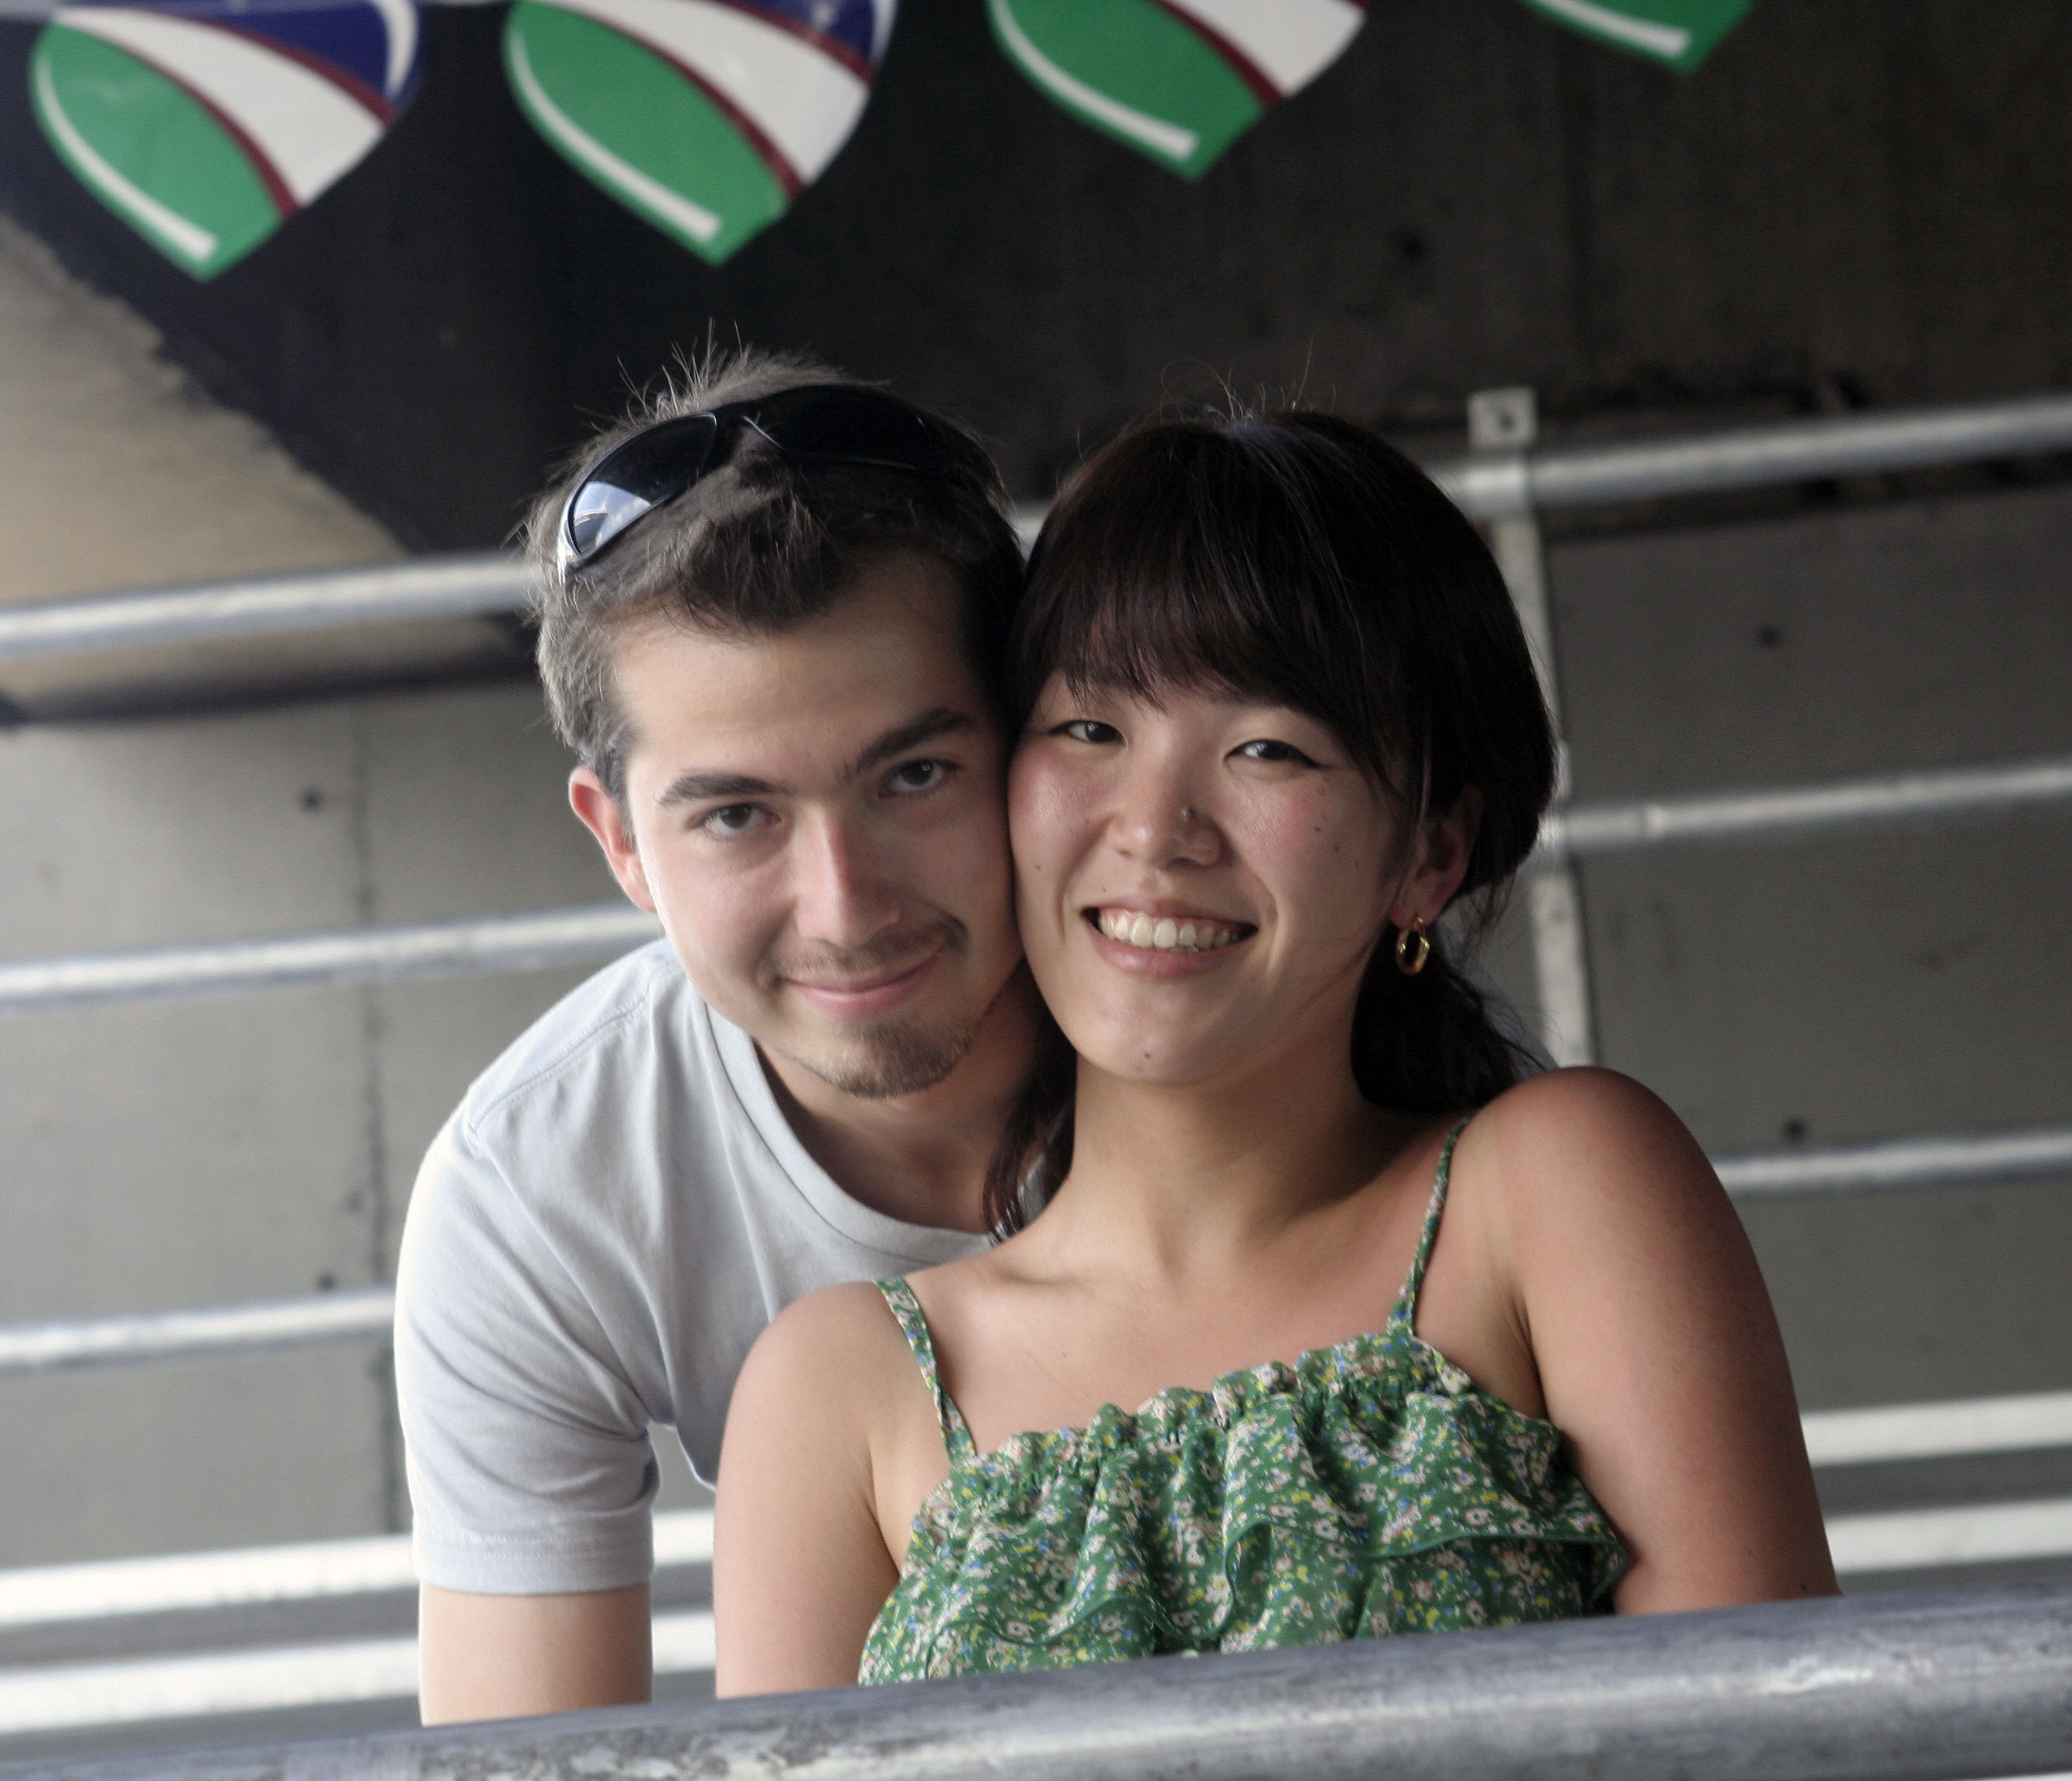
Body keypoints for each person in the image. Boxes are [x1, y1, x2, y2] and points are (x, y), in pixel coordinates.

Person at [711, 409, 1837, 1693]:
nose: (1155, 829)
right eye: (1089, 729)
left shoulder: (1550, 1192)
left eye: (1268, 749)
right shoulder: (839, 1387)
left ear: (1429, 857)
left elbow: (1770, 1737)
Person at [393, 350, 1043, 1721]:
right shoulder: (535, 1190)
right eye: (737, 815)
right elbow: (532, 1761)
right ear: (622, 843)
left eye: (915, 775)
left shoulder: (1224, 1016)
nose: (846, 907)